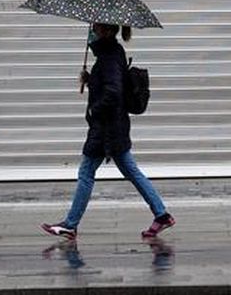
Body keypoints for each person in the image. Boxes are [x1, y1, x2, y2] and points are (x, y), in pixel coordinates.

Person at [41, 22, 174, 240]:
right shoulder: (110, 54)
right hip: (114, 127)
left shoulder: (110, 56)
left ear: (107, 31)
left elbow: (113, 92)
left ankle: (71, 224)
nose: (92, 32)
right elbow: (111, 83)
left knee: (86, 173)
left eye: (96, 28)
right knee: (131, 171)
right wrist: (91, 79)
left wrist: (95, 108)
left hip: (106, 128)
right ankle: (162, 215)